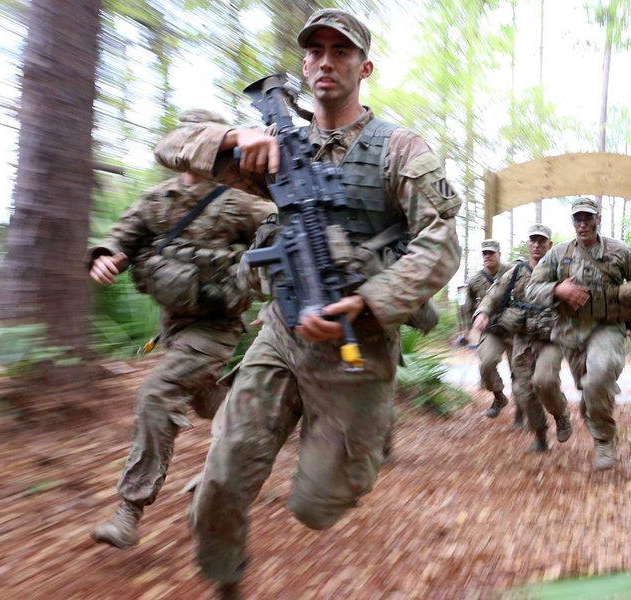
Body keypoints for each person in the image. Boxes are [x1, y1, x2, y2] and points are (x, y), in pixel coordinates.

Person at [154, 8, 460, 597]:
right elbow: (170, 149)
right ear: (304, 65)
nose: (326, 60)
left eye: (341, 51)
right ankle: (226, 580)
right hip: (281, 332)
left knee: (317, 505)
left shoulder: (399, 149)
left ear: (364, 67)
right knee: (221, 479)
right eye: (315, 51)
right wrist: (232, 137)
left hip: (356, 344)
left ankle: (357, 440)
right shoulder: (274, 148)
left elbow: (441, 242)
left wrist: (369, 301)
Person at [88, 109, 277, 549]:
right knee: (211, 401)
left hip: (217, 326)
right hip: (173, 325)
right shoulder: (158, 200)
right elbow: (124, 233)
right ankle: (255, 428)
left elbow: (279, 234)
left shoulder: (239, 201)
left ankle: (130, 509)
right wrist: (108, 254)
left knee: (156, 393)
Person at [526, 198, 631, 471]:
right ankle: (592, 407)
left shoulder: (620, 252)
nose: (582, 223)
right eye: (578, 219)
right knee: (587, 390)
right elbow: (531, 289)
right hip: (571, 333)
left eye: (588, 217)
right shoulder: (558, 255)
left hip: (607, 328)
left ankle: (604, 441)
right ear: (573, 222)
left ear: (598, 218)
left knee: (598, 377)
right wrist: (557, 290)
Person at [471, 224, 572, 453]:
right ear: (528, 244)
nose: (537, 244)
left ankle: (561, 415)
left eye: (542, 241)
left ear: (550, 244)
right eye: (533, 240)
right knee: (524, 391)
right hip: (523, 339)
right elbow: (494, 294)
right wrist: (483, 313)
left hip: (551, 339)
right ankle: (540, 437)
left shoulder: (560, 272)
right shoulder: (516, 272)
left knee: (545, 381)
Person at [461, 240, 519, 424]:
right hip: (491, 330)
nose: (487, 256)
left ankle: (522, 411)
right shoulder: (474, 280)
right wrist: (466, 328)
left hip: (513, 329)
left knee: (519, 372)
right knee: (486, 364)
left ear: (499, 254)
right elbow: (466, 305)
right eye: (485, 253)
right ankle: (499, 396)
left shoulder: (513, 272)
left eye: (491, 253)